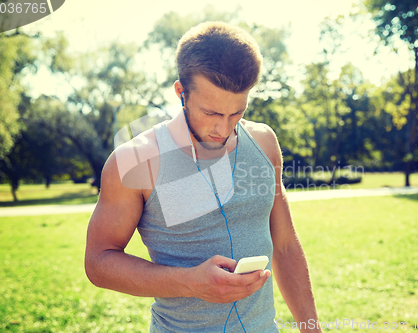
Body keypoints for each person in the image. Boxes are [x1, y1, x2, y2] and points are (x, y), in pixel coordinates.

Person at [85, 21, 321, 332]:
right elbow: (99, 262)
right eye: (211, 113)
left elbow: (286, 245)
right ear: (181, 92)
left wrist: (311, 328)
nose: (224, 129)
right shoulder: (136, 160)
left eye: (236, 112)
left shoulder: (263, 143)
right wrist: (188, 283)